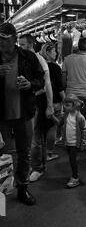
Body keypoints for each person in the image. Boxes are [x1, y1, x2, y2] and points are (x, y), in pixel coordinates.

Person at [0, 23, 45, 205]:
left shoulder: (28, 57)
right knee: (2, 153)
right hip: (1, 115)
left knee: (24, 152)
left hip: (24, 113)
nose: (1, 43)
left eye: (4, 39)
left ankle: (22, 188)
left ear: (14, 39)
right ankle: (2, 191)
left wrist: (30, 84)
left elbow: (40, 80)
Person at [19, 34, 54, 182]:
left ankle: (38, 168)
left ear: (31, 44)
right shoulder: (23, 59)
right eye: (19, 44)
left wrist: (50, 105)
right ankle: (37, 165)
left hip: (38, 102)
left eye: (22, 45)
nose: (19, 47)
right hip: (27, 102)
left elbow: (47, 84)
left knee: (35, 138)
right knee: (33, 138)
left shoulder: (38, 59)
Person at [39, 42, 65, 161]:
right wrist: (65, 99)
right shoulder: (54, 67)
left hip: (42, 99)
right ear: (48, 52)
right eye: (54, 51)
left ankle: (42, 152)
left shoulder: (39, 64)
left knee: (42, 128)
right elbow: (59, 86)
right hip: (54, 101)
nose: (56, 53)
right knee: (52, 127)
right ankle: (49, 153)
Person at [61, 94, 86, 188]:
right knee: (71, 160)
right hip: (68, 142)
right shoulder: (66, 115)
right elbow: (61, 124)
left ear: (75, 105)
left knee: (73, 160)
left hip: (74, 143)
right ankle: (74, 176)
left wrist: (83, 141)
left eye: (67, 105)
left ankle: (75, 178)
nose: (65, 107)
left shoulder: (80, 117)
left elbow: (84, 130)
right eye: (64, 105)